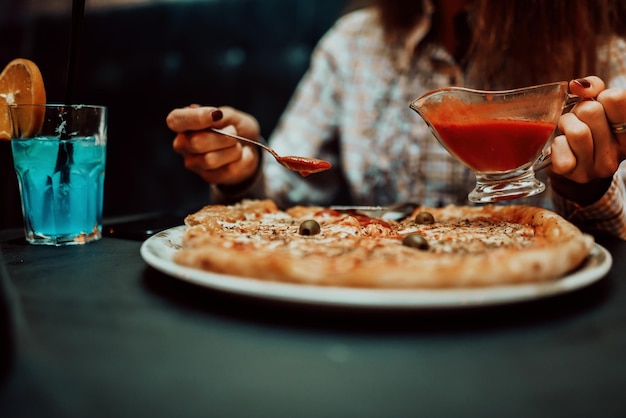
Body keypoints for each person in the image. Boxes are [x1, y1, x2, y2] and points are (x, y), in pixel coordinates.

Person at [166, 0, 626, 239]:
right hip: (370, 284)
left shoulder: (604, 55)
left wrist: (589, 187)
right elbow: (287, 187)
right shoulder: (354, 42)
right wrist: (241, 165)